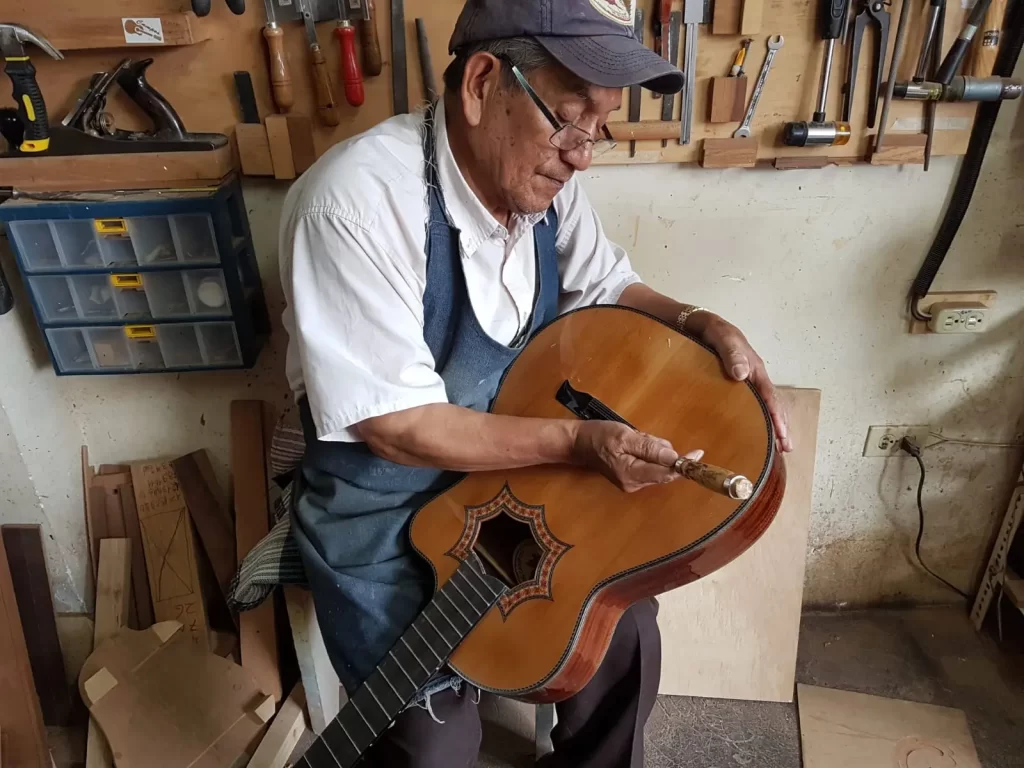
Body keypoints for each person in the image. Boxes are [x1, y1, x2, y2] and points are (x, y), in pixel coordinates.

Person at [279, 1, 791, 765]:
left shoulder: (541, 178)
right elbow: (400, 426)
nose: (583, 154)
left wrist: (695, 320)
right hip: (384, 501)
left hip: (519, 478)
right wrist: (581, 441)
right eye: (572, 117)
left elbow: (609, 287)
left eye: (601, 127)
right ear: (484, 82)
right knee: (432, 740)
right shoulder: (354, 202)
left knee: (625, 634)